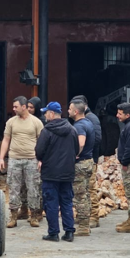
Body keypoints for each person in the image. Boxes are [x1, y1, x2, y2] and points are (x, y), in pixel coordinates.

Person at [35, 102, 79, 242]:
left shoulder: (47, 131)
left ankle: (53, 233)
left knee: (51, 202)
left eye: (46, 112)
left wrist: (43, 160)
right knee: (66, 201)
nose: (45, 115)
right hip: (67, 173)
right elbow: (77, 149)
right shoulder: (72, 130)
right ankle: (69, 232)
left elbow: (39, 151)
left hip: (50, 173)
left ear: (52, 114)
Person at [0, 96, 44, 228]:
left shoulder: (36, 122)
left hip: (32, 159)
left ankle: (34, 216)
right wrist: (2, 158)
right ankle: (13, 216)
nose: (13, 109)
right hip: (14, 159)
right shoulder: (11, 122)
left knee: (33, 188)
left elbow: (41, 142)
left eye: (15, 107)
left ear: (23, 107)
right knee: (13, 188)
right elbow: (6, 140)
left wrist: (40, 159)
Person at [72, 95, 102, 229]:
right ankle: (84, 215)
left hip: (87, 159)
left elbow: (96, 138)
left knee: (89, 189)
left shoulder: (90, 119)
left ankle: (94, 217)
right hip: (88, 158)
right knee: (84, 190)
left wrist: (83, 153)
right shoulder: (88, 120)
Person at [69, 99, 95, 236]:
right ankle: (84, 220)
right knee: (85, 193)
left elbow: (81, 142)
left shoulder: (79, 126)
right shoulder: (88, 122)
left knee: (80, 195)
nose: (68, 111)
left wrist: (74, 155)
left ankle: (84, 226)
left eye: (69, 108)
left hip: (81, 163)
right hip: (89, 161)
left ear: (76, 111)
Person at [18, 96, 46, 218]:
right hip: (24, 156)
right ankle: (24, 210)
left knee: (36, 186)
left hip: (36, 157)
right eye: (28, 107)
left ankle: (37, 212)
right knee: (23, 185)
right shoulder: (22, 120)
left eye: (31, 107)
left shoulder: (41, 122)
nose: (29, 109)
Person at [115, 102, 130, 233]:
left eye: (120, 114)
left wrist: (124, 162)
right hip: (128, 164)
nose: (117, 116)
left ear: (128, 114)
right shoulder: (129, 126)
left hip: (129, 166)